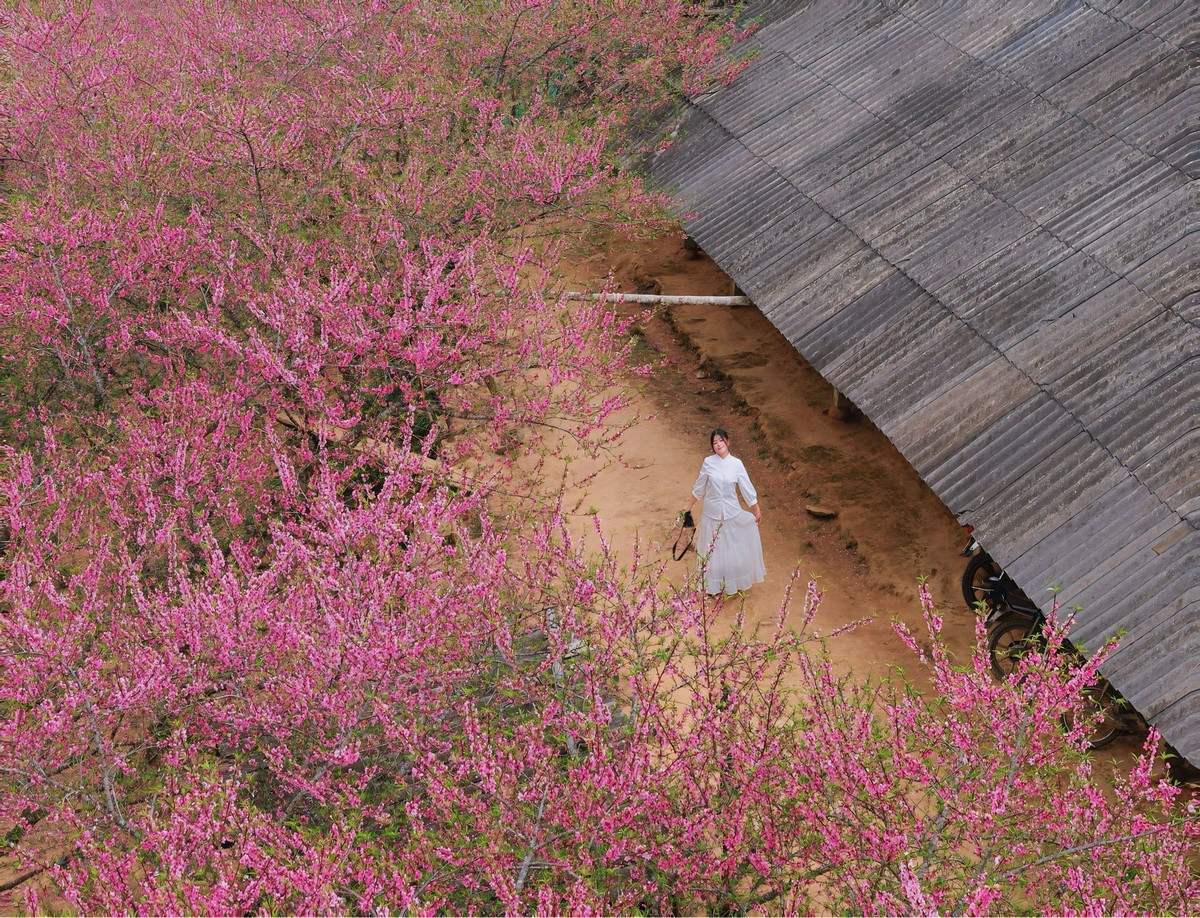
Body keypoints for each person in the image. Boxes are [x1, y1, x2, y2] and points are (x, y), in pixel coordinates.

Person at [682, 428, 765, 595]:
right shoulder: (708, 462)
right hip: (711, 513)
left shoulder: (737, 464)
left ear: (727, 441)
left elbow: (746, 488)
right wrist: (687, 507)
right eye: (714, 442)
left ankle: (733, 582)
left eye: (721, 440)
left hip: (731, 512)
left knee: (731, 547)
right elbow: (699, 487)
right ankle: (713, 586)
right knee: (712, 549)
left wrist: (756, 510)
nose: (718, 444)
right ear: (712, 447)